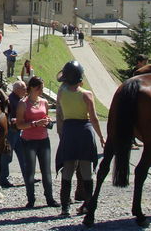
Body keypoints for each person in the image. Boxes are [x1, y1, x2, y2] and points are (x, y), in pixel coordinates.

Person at [55, 61, 105, 216]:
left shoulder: (61, 93)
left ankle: (65, 207)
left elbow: (60, 113)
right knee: (86, 171)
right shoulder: (87, 94)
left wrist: (61, 133)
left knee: (68, 170)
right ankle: (88, 205)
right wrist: (101, 137)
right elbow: (94, 118)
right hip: (84, 130)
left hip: (69, 130)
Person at [16, 76, 58, 208]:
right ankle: (31, 199)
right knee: (30, 171)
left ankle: (50, 198)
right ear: (32, 88)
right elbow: (19, 125)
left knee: (46, 170)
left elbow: (46, 117)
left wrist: (48, 122)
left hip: (43, 139)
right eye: (39, 88)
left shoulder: (44, 102)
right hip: (28, 140)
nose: (41, 91)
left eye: (42, 88)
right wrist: (35, 123)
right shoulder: (23, 103)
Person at [0, 79, 27, 188]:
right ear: (17, 89)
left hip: (18, 131)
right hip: (11, 132)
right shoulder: (10, 100)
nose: (25, 90)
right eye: (24, 88)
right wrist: (12, 120)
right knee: (7, 156)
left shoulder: (19, 99)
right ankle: (3, 179)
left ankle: (28, 176)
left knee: (23, 154)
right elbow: (6, 115)